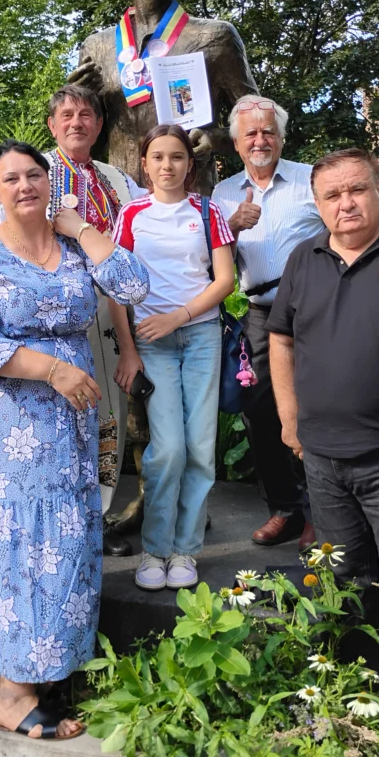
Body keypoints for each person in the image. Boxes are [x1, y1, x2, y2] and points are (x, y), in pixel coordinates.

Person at [0, 141, 148, 740]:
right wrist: (52, 369)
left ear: (50, 182)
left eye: (34, 174)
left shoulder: (73, 247)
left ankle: (48, 671)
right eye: (10, 178)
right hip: (11, 422)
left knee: (64, 538)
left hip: (72, 422)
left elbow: (133, 286)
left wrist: (83, 228)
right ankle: (11, 691)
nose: (24, 185)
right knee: (22, 542)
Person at [0, 85, 148, 557]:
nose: (76, 123)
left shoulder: (117, 180)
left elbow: (138, 252)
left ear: (99, 125)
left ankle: (100, 512)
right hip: (24, 368)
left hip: (99, 311)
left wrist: (81, 230)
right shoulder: (33, 166)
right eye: (66, 115)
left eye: (86, 115)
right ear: (52, 125)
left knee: (107, 421)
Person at [267, 146, 379, 693]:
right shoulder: (304, 258)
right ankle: (361, 693)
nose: (345, 203)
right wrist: (288, 416)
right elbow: (281, 338)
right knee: (346, 582)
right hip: (323, 459)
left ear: (378, 191)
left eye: (356, 190)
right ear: (318, 204)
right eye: (332, 195)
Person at [113, 124, 235, 590]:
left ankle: (185, 550)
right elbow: (115, 287)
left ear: (190, 163)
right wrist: (128, 350)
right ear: (145, 165)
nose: (168, 165)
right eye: (158, 157)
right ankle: (155, 549)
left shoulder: (207, 211)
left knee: (201, 449)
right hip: (151, 343)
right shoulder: (131, 213)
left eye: (177, 156)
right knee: (167, 450)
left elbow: (224, 280)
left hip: (200, 337)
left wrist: (178, 317)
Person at [68, 0, 258, 195]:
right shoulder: (98, 47)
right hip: (121, 206)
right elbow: (91, 149)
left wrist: (213, 138)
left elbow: (259, 126)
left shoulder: (215, 37)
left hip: (189, 204)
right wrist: (81, 107)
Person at [212, 95, 324, 549]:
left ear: (281, 137)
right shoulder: (223, 194)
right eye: (250, 134)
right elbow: (208, 262)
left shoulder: (309, 179)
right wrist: (231, 227)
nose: (259, 140)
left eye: (267, 131)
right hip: (261, 311)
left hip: (318, 309)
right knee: (258, 408)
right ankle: (286, 509)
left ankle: (325, 514)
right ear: (237, 143)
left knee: (317, 406)